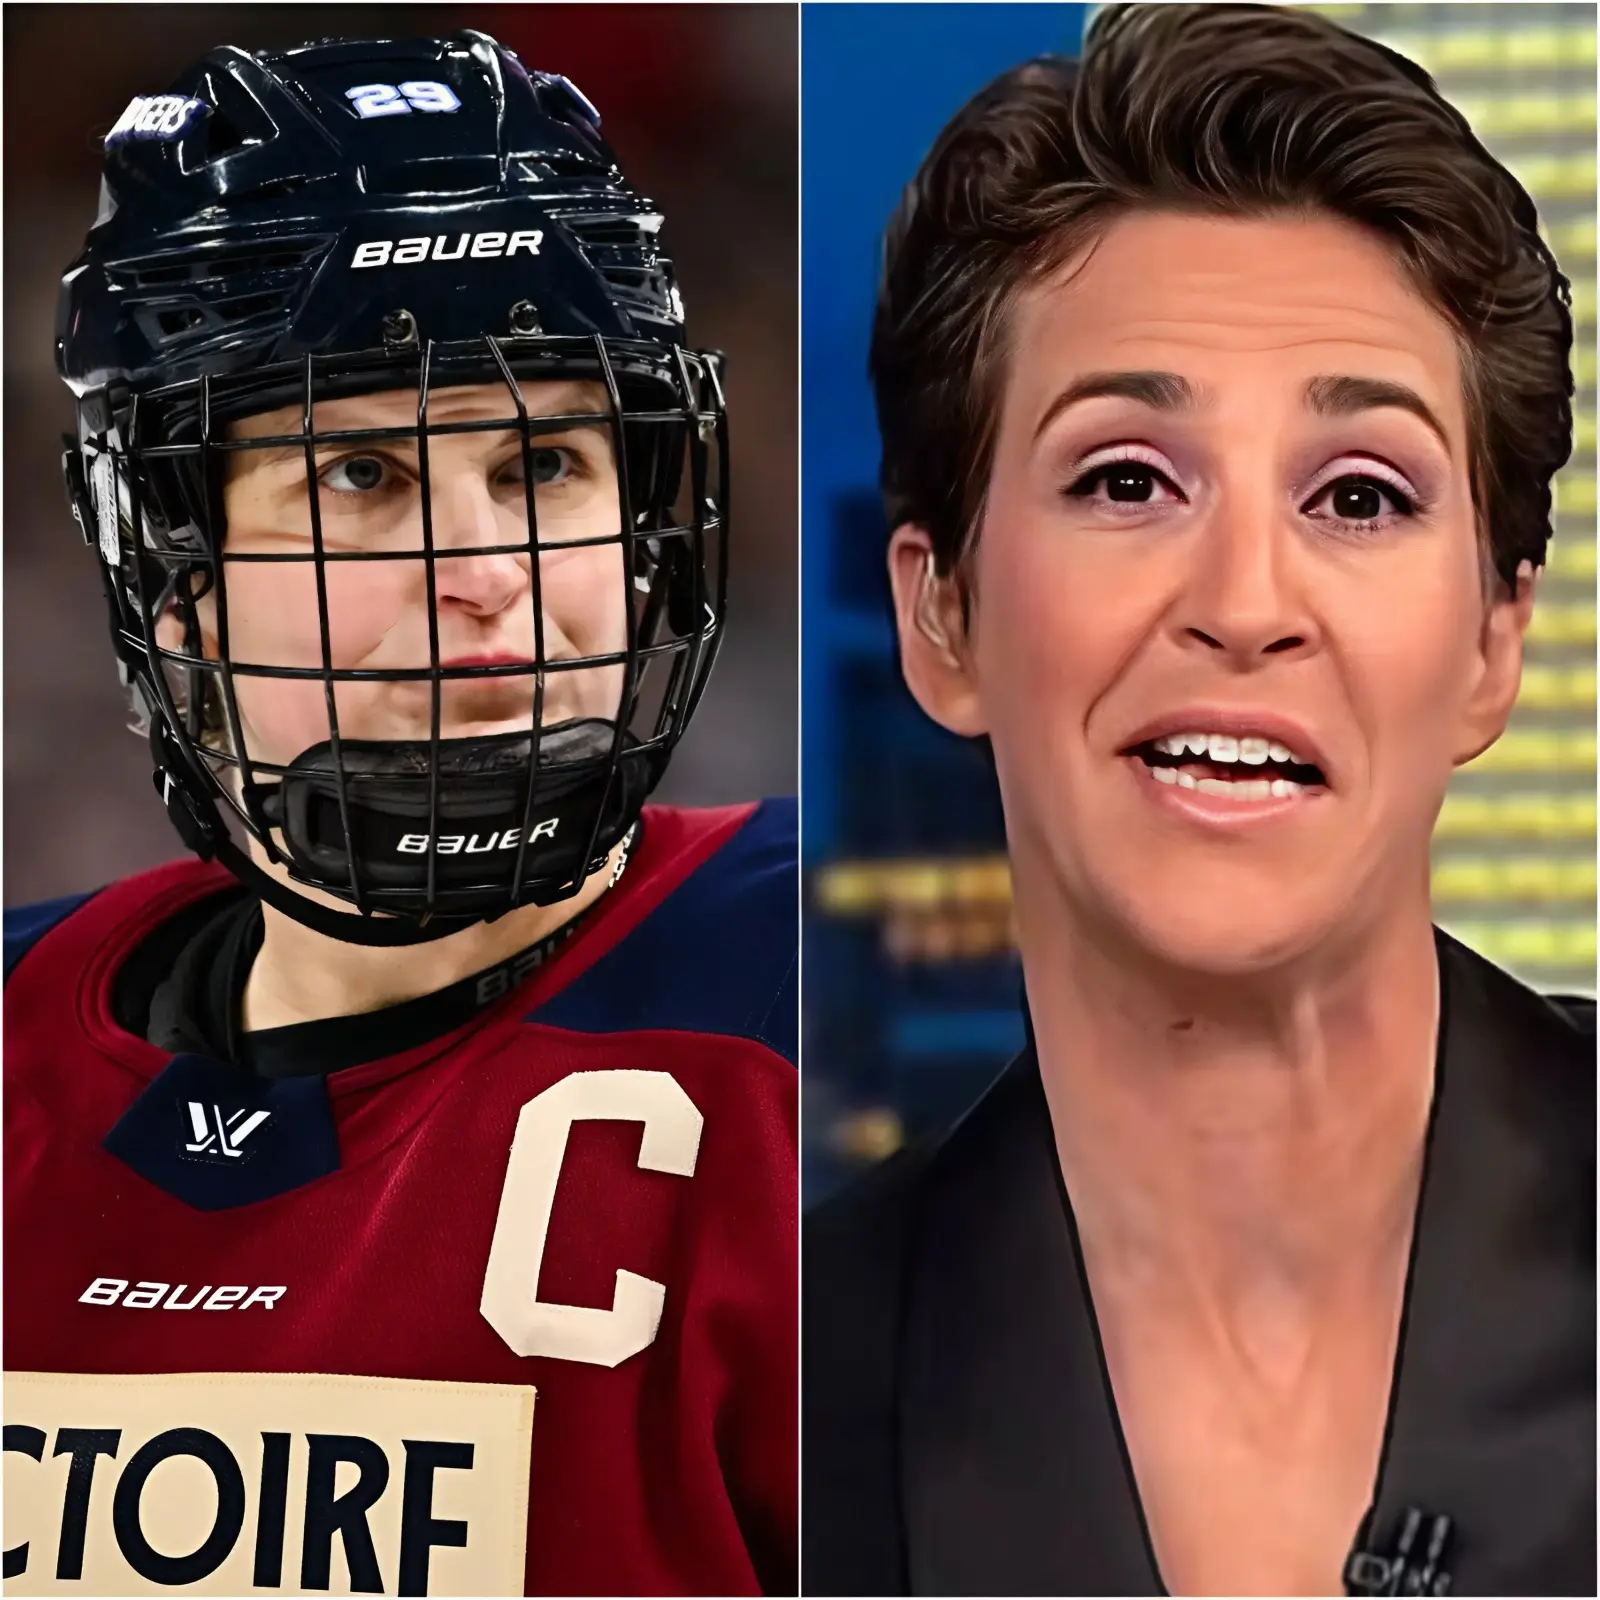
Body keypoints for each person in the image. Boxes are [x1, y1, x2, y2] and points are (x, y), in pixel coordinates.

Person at [803, 6, 1593, 1597]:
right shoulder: (777, 1401)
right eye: (1125, 481)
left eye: (1359, 495)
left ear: (1493, 645)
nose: (1244, 601)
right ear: (942, 616)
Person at [6, 31, 795, 1598]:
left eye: (548, 462)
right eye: (362, 474)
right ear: (179, 584)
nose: (484, 574)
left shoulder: (829, 1009)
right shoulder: (18, 1036)